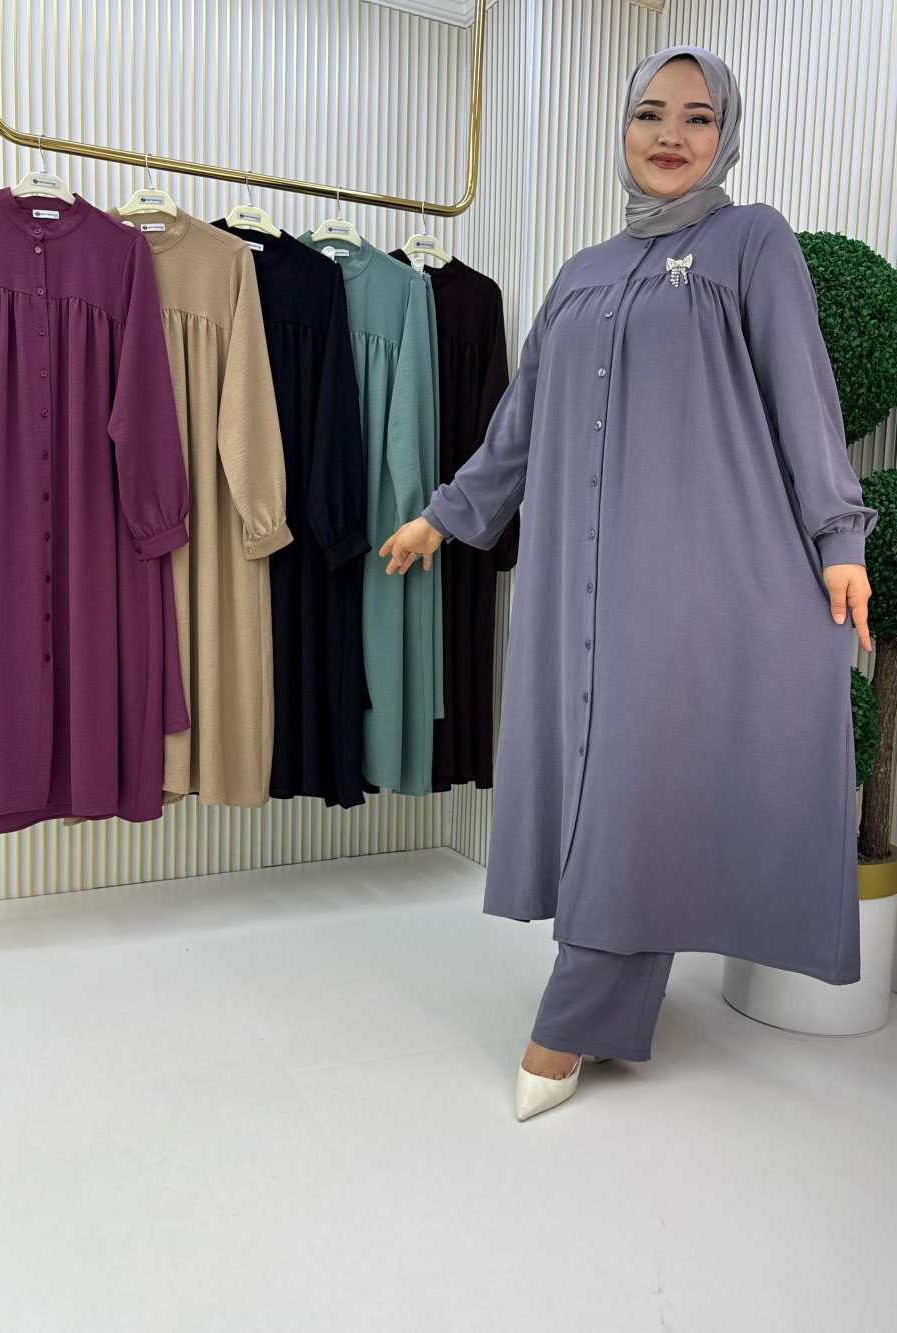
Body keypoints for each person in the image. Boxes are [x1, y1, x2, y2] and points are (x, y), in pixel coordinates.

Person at [379, 44, 877, 1122]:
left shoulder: (752, 240)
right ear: (623, 130)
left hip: (700, 577)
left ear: (724, 135)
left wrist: (840, 539)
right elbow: (519, 424)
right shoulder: (581, 272)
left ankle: (568, 1022)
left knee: (631, 786)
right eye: (650, 113)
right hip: (578, 586)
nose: (670, 135)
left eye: (697, 117)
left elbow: (805, 393)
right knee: (610, 787)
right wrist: (444, 514)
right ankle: (606, 1011)